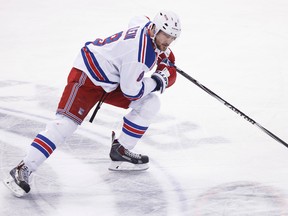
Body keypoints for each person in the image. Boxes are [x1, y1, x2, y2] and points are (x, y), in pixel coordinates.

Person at [4, 10, 182, 197]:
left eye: (172, 38)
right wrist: (158, 80)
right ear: (155, 29)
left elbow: (137, 19)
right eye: (166, 36)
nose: (168, 42)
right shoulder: (141, 54)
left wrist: (162, 53)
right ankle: (23, 168)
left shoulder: (145, 27)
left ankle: (120, 151)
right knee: (64, 125)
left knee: (150, 104)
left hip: (110, 80)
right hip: (87, 77)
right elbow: (132, 91)